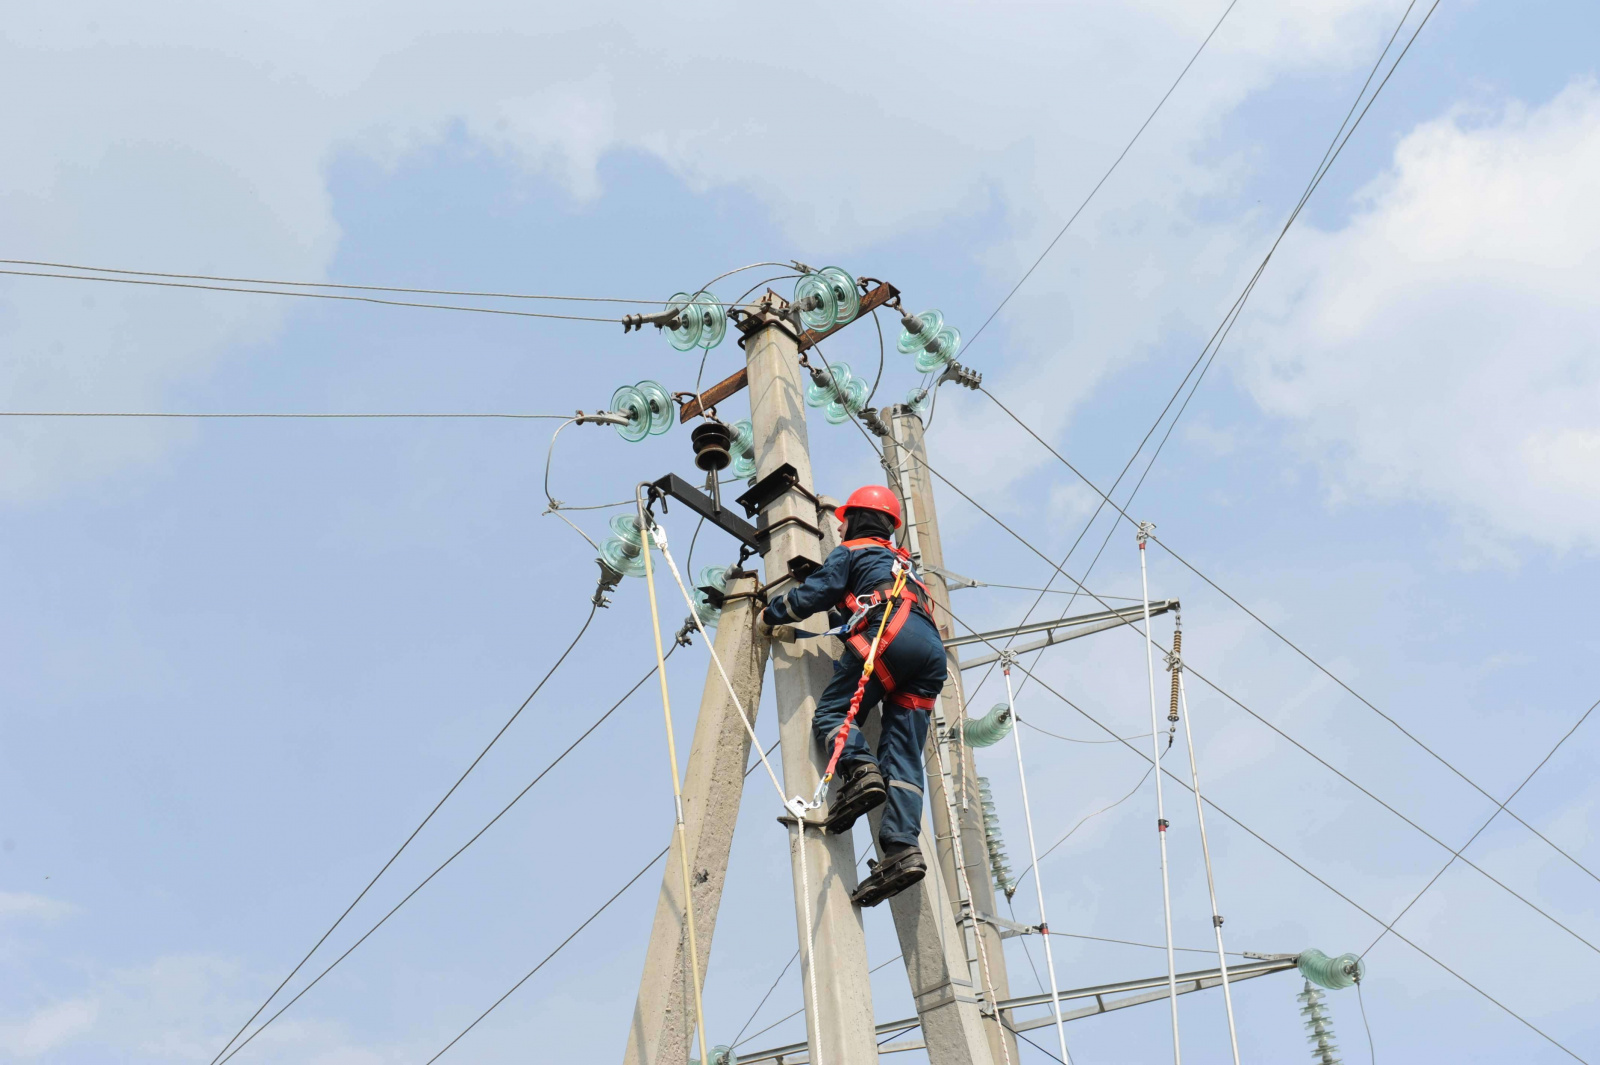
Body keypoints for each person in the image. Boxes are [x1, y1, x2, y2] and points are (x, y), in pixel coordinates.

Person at [760, 484, 948, 906]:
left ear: (855, 520)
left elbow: (816, 593)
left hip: (889, 634)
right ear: (888, 525)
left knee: (833, 714)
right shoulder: (905, 566)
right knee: (902, 753)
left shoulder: (852, 551)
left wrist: (770, 613)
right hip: (929, 653)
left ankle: (860, 772)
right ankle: (902, 850)